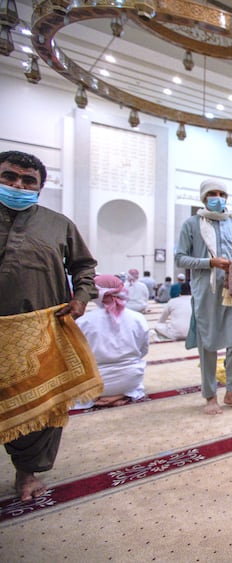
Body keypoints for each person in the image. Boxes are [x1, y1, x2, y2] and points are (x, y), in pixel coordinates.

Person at [0, 150, 98, 500]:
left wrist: (81, 297)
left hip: (40, 330)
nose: (17, 185)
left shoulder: (58, 224)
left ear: (40, 188)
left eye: (28, 181)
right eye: (9, 177)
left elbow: (84, 266)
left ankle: (27, 473)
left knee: (40, 407)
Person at [175, 179, 232, 415]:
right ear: (203, 197)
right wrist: (209, 262)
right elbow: (180, 258)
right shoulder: (191, 225)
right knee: (208, 343)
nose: (218, 197)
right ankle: (210, 396)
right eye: (213, 193)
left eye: (222, 193)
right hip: (207, 291)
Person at [75, 275, 149, 408]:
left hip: (94, 383)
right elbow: (143, 351)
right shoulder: (138, 318)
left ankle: (101, 396)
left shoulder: (83, 322)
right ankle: (121, 394)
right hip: (130, 379)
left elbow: (76, 357)